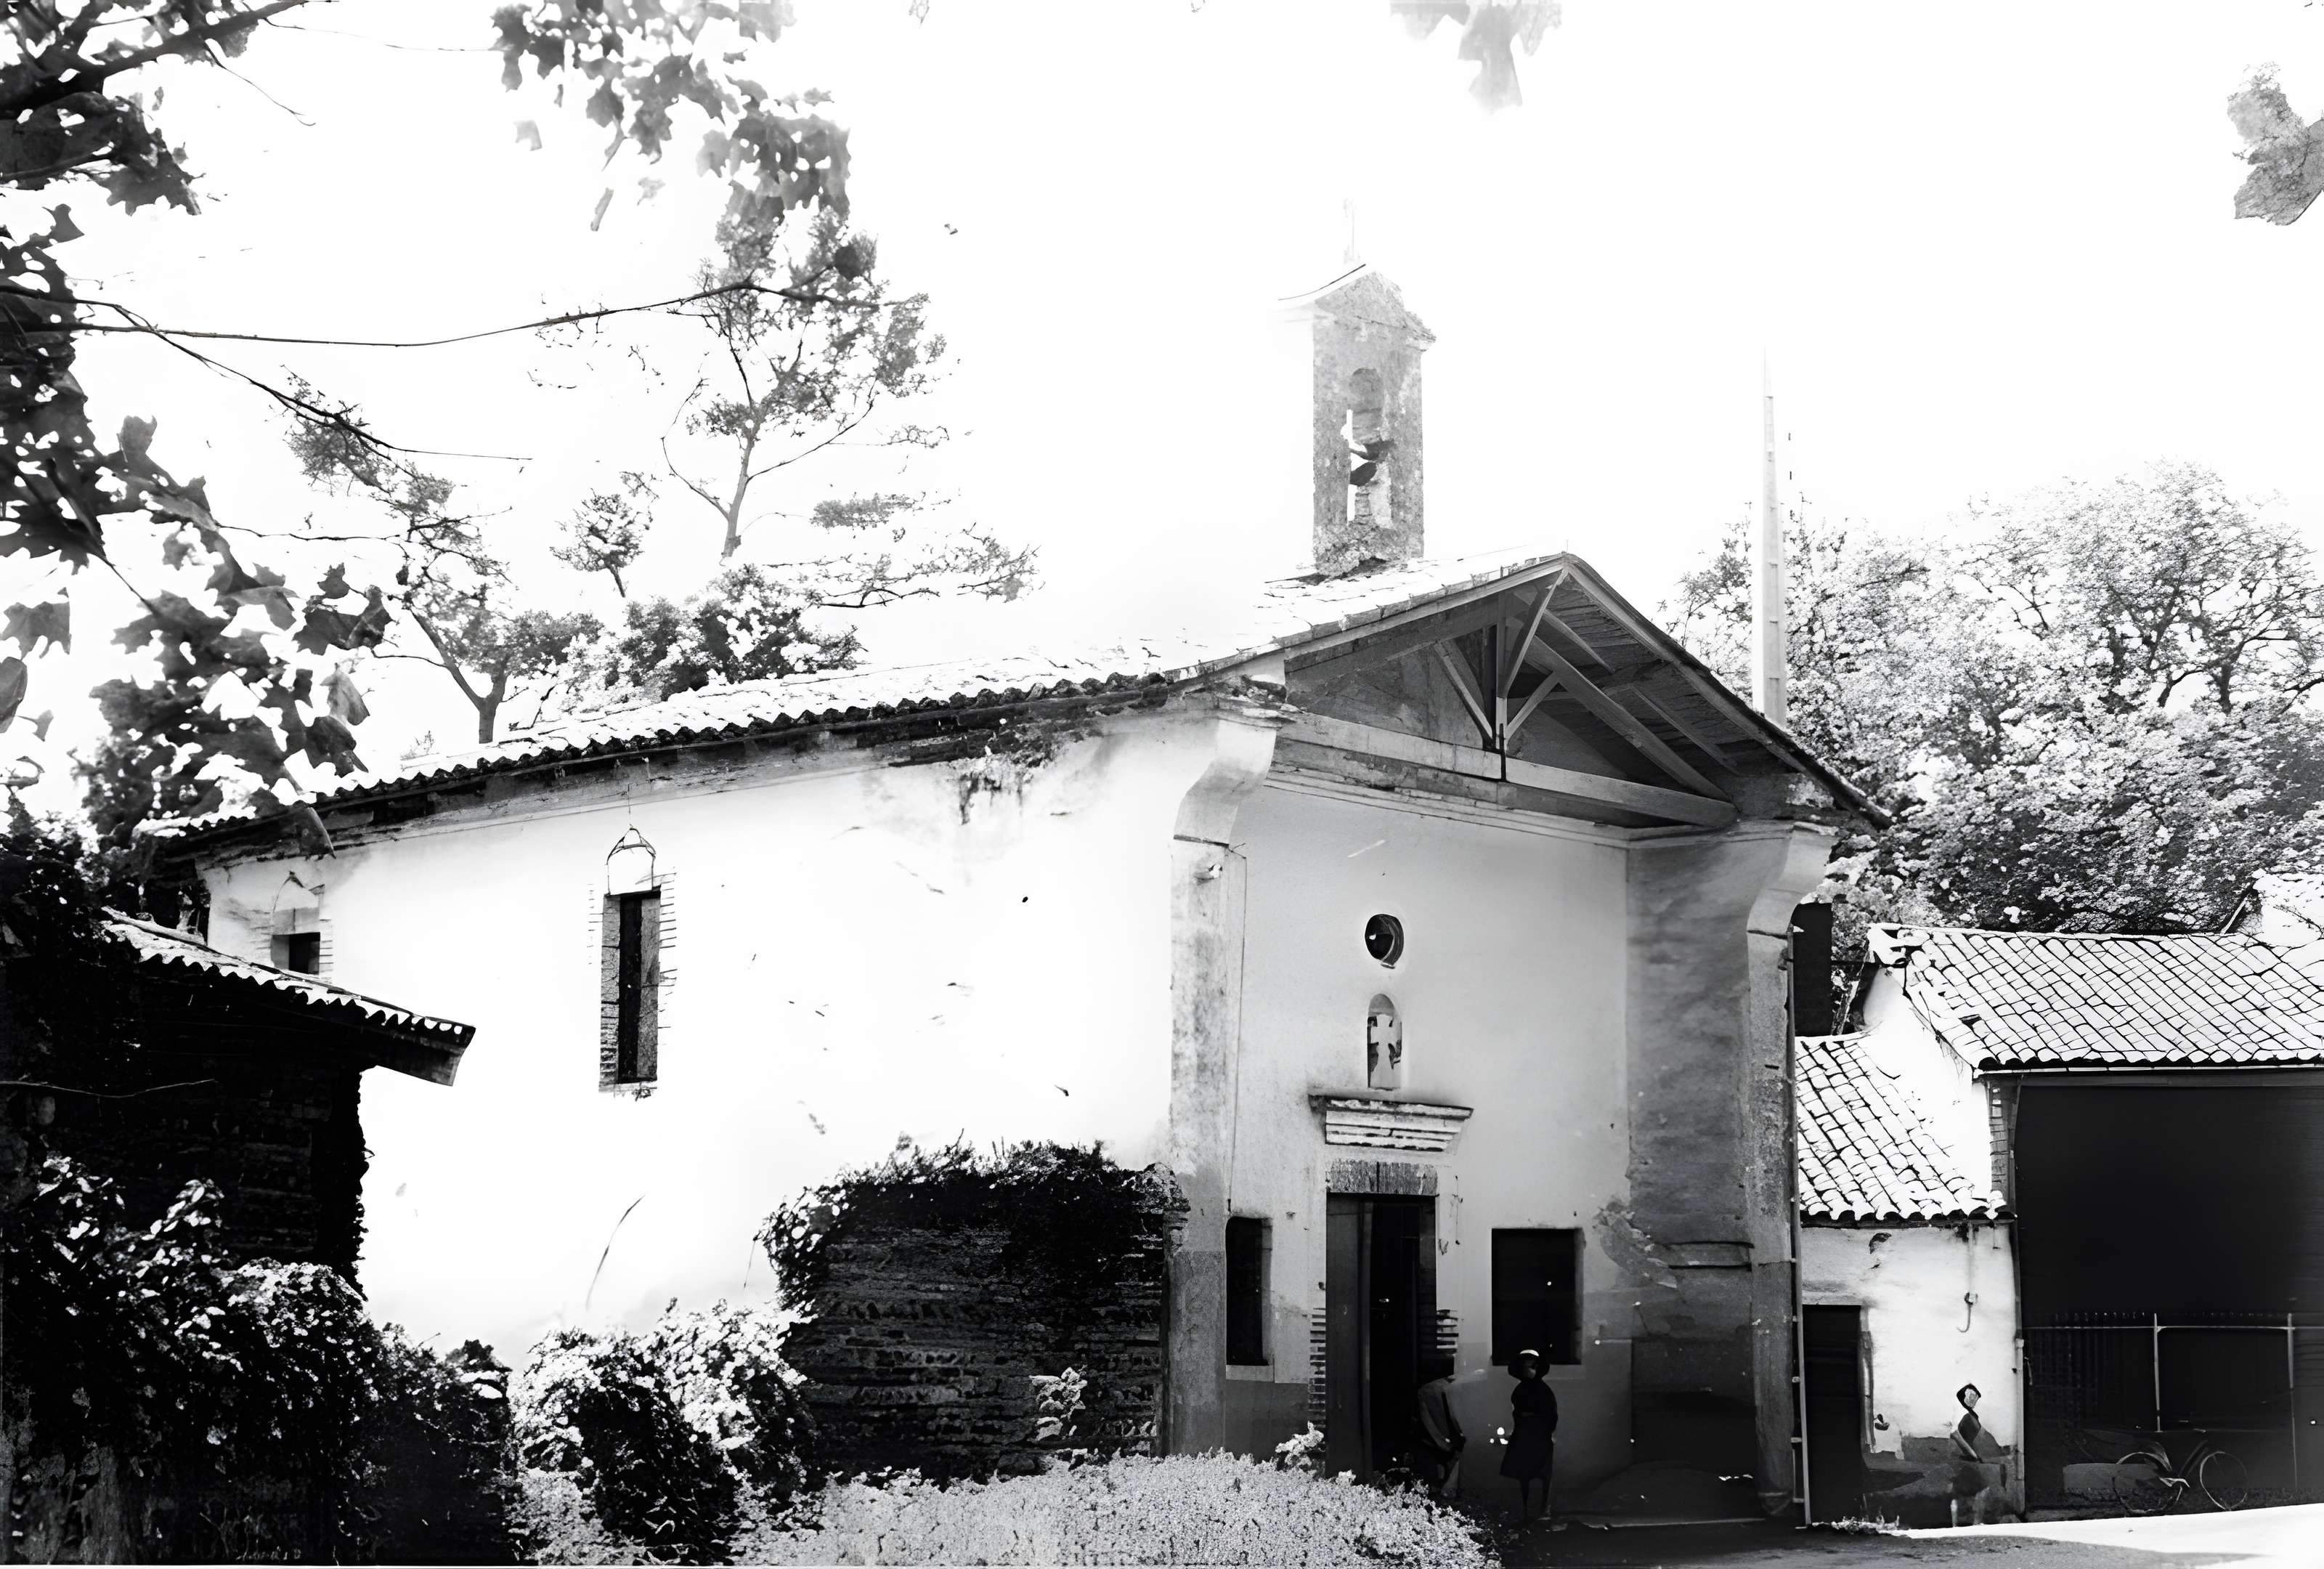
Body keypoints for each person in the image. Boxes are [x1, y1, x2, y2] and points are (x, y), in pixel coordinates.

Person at [1500, 1348, 1558, 1524]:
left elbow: (1551, 1415)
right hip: (1523, 1435)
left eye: (1532, 1367)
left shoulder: (1544, 1391)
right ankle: (1524, 1511)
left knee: (1542, 1474)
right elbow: (1516, 1411)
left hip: (1539, 1436)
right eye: (1525, 1367)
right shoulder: (1520, 1389)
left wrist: (1539, 1427)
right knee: (1523, 1475)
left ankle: (1542, 1511)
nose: (1529, 1371)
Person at [1949, 1382, 2006, 1526]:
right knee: (1983, 1488)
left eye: (1976, 1396)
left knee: (1958, 1492)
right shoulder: (1963, 1413)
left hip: (1962, 1458)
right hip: (1965, 1458)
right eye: (1971, 1396)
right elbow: (1954, 1433)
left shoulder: (1969, 1414)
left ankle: (1958, 1525)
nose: (1974, 1399)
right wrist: (1972, 1453)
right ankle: (1976, 1522)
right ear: (1964, 1396)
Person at [1413, 1354, 1466, 1499]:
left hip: (1434, 1440)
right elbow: (1455, 1416)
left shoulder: (1426, 1390)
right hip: (1449, 1439)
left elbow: (1426, 1418)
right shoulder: (1454, 1388)